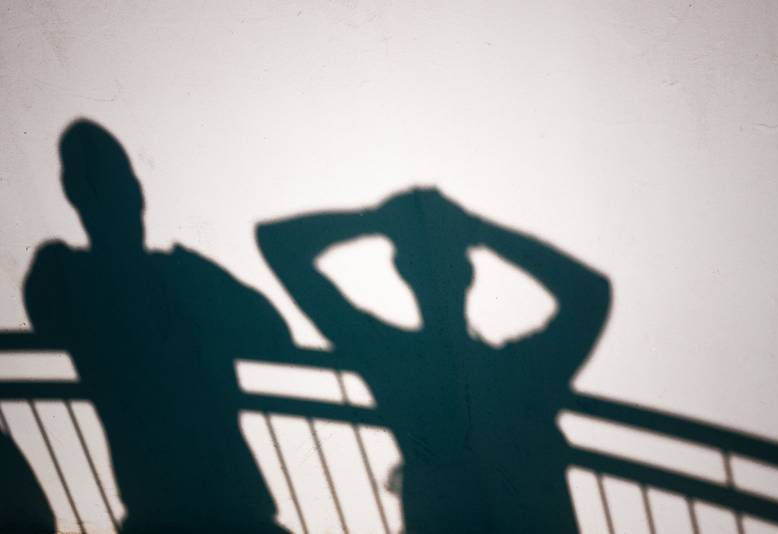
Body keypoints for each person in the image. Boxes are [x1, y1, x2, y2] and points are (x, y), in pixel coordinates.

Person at [257, 188, 611, 532]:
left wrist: (378, 221)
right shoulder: (525, 367)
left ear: (403, 272)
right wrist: (477, 229)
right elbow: (589, 292)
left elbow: (278, 243)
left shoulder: (388, 357)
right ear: (469, 274)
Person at [24, 120, 291, 533]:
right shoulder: (183, 273)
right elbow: (275, 336)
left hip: (156, 512)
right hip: (236, 509)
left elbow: (44, 315)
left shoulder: (63, 273)